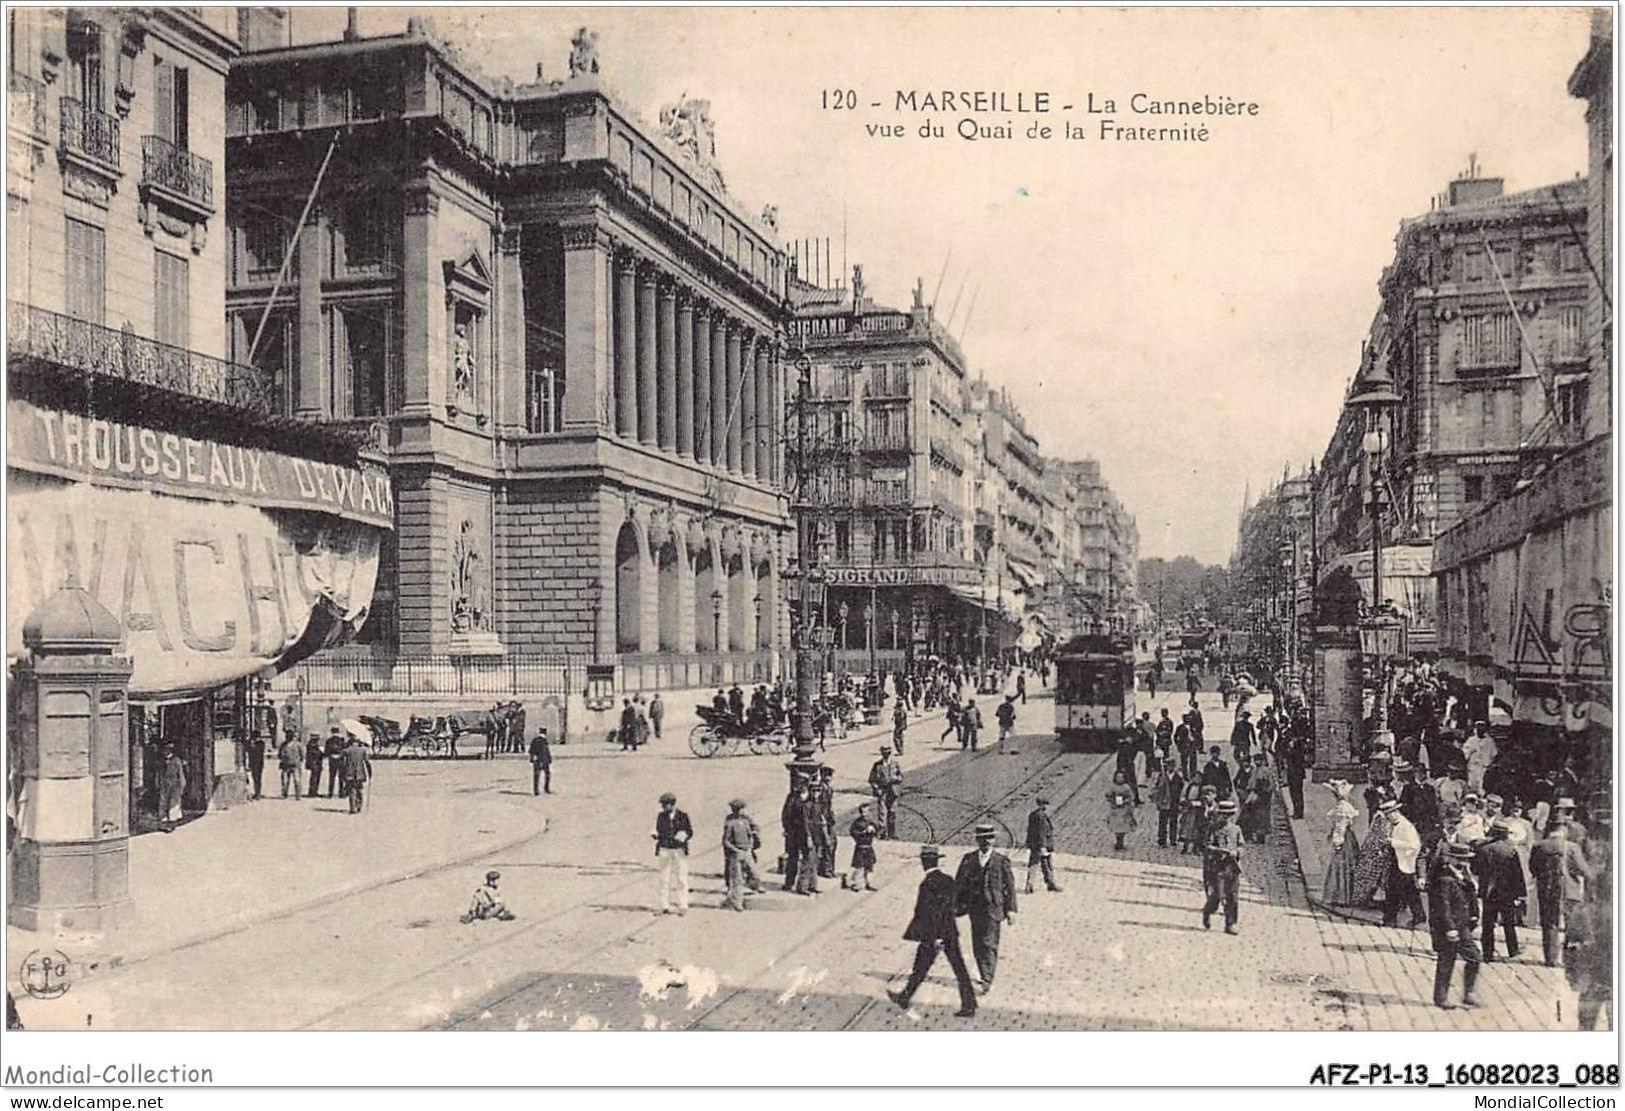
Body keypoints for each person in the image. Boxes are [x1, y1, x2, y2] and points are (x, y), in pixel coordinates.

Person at [887, 846, 978, 1018]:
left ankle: (905, 996)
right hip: (950, 932)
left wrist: (936, 937)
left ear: (923, 862)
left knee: (921, 967)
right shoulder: (948, 880)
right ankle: (969, 1003)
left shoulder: (927, 885)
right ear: (937, 861)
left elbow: (930, 913)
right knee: (957, 968)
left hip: (934, 934)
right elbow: (955, 905)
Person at [954, 823, 1018, 994]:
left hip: (994, 908)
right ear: (977, 840)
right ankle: (984, 973)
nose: (987, 842)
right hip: (974, 908)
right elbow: (959, 884)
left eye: (990, 838)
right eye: (983, 839)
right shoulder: (968, 860)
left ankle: (987, 978)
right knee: (977, 943)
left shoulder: (1001, 861)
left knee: (989, 943)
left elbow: (1010, 887)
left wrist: (1011, 910)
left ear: (994, 840)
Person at [1529, 808, 1587, 967]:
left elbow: (1533, 868)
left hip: (1546, 889)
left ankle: (1550, 958)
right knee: (1571, 924)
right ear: (1564, 829)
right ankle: (1570, 958)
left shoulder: (1539, 845)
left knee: (1549, 923)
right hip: (1569, 891)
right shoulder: (1572, 847)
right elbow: (1582, 869)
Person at [1428, 841, 1481, 1009]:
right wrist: (1449, 928)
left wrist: (1473, 917)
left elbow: (1471, 896)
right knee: (1446, 961)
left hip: (1462, 925)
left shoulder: (1463, 876)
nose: (1463, 862)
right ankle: (1441, 998)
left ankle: (1468, 993)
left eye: (1465, 859)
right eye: (1459, 859)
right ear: (1449, 859)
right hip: (1447, 927)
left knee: (1475, 957)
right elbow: (1442, 906)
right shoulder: (1444, 878)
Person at [1474, 818, 1525, 962]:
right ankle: (1513, 949)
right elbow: (1517, 874)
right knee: (1509, 922)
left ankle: (1487, 953)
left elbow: (1475, 869)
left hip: (1488, 891)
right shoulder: (1510, 851)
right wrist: (1520, 894)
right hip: (1506, 892)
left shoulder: (1483, 849)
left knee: (1487, 923)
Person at [1381, 799, 1426, 928]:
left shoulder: (1407, 826)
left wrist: (1394, 842)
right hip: (1395, 860)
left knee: (1409, 892)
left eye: (1388, 814)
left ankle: (1418, 916)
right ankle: (1389, 919)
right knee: (1392, 890)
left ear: (1395, 812)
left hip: (1406, 862)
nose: (1387, 817)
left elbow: (1415, 845)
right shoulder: (1392, 824)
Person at [1202, 799, 1244, 934]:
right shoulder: (1213, 829)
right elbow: (1207, 846)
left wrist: (1237, 852)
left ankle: (1230, 923)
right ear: (1218, 814)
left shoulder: (1236, 829)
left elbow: (1242, 846)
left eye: (1229, 815)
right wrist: (1221, 851)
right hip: (1217, 867)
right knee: (1217, 897)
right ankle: (1207, 912)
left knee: (1233, 896)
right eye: (1223, 815)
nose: (1225, 818)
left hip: (1232, 867)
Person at [652, 792, 693, 914]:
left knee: (681, 878)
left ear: (672, 804)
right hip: (664, 849)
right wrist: (655, 834)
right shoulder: (661, 816)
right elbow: (657, 829)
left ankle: (683, 905)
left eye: (666, 805)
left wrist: (683, 836)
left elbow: (690, 831)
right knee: (663, 878)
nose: (663, 807)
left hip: (678, 849)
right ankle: (664, 905)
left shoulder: (683, 816)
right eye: (663, 805)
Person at [1323, 780, 1362, 906]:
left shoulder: (1341, 808)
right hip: (1350, 838)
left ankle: (1340, 896)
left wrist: (1337, 843)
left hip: (1345, 840)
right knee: (1348, 866)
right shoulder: (1345, 806)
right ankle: (1347, 895)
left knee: (1340, 866)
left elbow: (1340, 828)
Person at [722, 800, 763, 911]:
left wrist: (751, 843)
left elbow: (754, 829)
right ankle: (736, 902)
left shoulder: (746, 820)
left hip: (747, 852)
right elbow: (726, 841)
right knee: (737, 880)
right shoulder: (730, 822)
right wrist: (735, 850)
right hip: (736, 854)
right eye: (741, 808)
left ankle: (751, 886)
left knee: (755, 875)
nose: (743, 810)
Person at [1024, 797, 1062, 893]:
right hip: (1042, 844)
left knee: (1036, 864)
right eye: (1045, 804)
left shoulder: (1033, 814)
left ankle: (1033, 885)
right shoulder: (1041, 816)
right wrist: (1043, 846)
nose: (1046, 806)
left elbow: (1030, 830)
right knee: (1045, 864)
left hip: (1035, 844)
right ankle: (1047, 884)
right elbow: (1041, 832)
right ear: (1041, 805)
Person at [1238, 755, 1275, 845]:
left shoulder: (1266, 771)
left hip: (1263, 796)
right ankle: (1254, 835)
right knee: (1255, 816)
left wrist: (1267, 793)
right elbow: (1251, 784)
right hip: (1255, 795)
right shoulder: (1254, 771)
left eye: (1259, 760)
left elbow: (1271, 785)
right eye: (1255, 760)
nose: (1257, 762)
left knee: (1263, 816)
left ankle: (1261, 836)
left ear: (1262, 761)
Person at [868, 747, 903, 839]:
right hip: (882, 792)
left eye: (888, 753)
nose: (886, 755)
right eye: (884, 753)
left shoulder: (895, 764)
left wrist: (896, 779)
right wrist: (877, 789)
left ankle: (892, 834)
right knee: (882, 814)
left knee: (892, 813)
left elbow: (901, 777)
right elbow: (871, 779)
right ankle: (882, 833)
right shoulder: (877, 765)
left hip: (893, 792)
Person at [1153, 756, 1185, 849]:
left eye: (1172, 766)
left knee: (1173, 821)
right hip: (1164, 802)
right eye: (1168, 766)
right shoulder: (1162, 776)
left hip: (1174, 802)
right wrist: (1158, 800)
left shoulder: (1178, 777)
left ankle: (1173, 839)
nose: (1170, 767)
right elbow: (1157, 788)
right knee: (1163, 821)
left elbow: (1181, 788)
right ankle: (1162, 839)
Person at [847, 804, 880, 892]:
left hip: (869, 847)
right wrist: (863, 832)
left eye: (866, 812)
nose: (865, 814)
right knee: (859, 866)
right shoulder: (857, 823)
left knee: (869, 866)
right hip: (860, 847)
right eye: (863, 812)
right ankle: (856, 883)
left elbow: (878, 830)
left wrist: (874, 830)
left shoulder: (871, 822)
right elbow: (852, 832)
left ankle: (869, 883)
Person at [813, 766, 838, 879]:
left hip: (829, 819)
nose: (829, 778)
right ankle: (826, 869)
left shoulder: (829, 788)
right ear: (822, 776)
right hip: (823, 820)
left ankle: (829, 868)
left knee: (832, 844)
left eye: (830, 775)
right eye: (827, 775)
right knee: (827, 844)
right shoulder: (820, 789)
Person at [1105, 770, 1138, 851]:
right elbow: (1108, 795)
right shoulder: (1113, 787)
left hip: (1124, 810)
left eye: (1121, 777)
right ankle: (1118, 841)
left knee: (1122, 827)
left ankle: (1121, 842)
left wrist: (1126, 801)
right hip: (1115, 810)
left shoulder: (1126, 787)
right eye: (1118, 777)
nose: (1119, 779)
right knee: (1116, 827)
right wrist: (1112, 801)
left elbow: (1131, 797)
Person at [1281, 727, 1310, 820]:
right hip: (1292, 773)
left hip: (1296, 774)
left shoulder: (1298, 749)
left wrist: (1290, 748)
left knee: (1297, 793)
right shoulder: (1293, 748)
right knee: (1293, 793)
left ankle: (1299, 813)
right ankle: (1296, 811)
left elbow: (1293, 756)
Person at [1462, 721, 1496, 795]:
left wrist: (1489, 764)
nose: (1480, 730)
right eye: (1478, 728)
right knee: (1471, 785)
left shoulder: (1490, 741)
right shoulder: (1471, 740)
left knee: (1482, 786)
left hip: (1484, 768)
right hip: (1473, 767)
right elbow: (1465, 754)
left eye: (1482, 728)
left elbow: (1494, 754)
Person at [342, 735, 371, 814]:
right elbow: (367, 762)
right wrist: (370, 773)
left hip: (349, 773)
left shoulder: (346, 751)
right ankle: (359, 805)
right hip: (360, 773)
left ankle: (352, 807)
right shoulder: (363, 751)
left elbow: (342, 763)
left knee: (352, 790)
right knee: (359, 789)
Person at [160, 747, 186, 830]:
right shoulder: (162, 761)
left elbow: (180, 773)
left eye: (166, 750)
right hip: (165, 783)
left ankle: (172, 823)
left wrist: (182, 784)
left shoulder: (176, 760)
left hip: (174, 783)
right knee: (163, 802)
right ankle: (163, 822)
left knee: (173, 802)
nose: (164, 752)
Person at [1178, 781, 1206, 854]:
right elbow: (1183, 796)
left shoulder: (1202, 789)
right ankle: (1185, 847)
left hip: (1197, 813)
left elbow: (1203, 802)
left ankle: (1195, 848)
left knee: (1196, 830)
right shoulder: (1189, 786)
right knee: (1186, 829)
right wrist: (1184, 802)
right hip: (1188, 811)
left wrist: (1194, 803)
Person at [278, 732, 304, 799]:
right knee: (285, 781)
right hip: (285, 765)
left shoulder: (298, 745)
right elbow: (280, 754)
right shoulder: (283, 745)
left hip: (295, 765)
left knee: (297, 780)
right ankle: (284, 794)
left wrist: (298, 761)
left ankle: (298, 795)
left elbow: (302, 755)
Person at [529, 726, 553, 795]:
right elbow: (546, 751)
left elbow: (531, 751)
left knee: (536, 775)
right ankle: (546, 788)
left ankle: (536, 790)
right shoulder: (544, 741)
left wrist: (532, 758)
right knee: (547, 774)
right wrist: (549, 759)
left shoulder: (535, 740)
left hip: (537, 760)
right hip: (543, 760)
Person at [325, 728, 348, 799]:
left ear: (332, 732)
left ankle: (330, 793)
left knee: (331, 777)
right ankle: (341, 793)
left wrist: (329, 755)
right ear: (338, 732)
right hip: (340, 760)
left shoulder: (329, 740)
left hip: (332, 760)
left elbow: (326, 751)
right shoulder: (341, 740)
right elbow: (345, 749)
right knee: (341, 777)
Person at [245, 730, 266, 800]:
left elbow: (255, 750)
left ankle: (258, 793)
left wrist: (251, 744)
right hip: (253, 763)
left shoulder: (261, 743)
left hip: (258, 764)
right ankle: (257, 792)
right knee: (255, 779)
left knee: (257, 779)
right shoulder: (251, 743)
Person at [307, 729, 328, 797]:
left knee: (315, 778)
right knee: (314, 778)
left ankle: (314, 791)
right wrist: (321, 753)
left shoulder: (313, 744)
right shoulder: (312, 745)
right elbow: (315, 753)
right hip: (315, 763)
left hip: (316, 763)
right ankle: (313, 792)